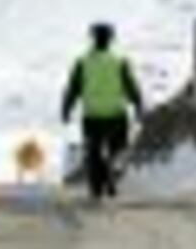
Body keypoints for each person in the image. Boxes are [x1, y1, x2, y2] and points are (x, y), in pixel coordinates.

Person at [61, 22, 144, 200]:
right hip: (117, 116)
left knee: (93, 153)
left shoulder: (82, 63)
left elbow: (73, 89)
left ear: (93, 39)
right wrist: (138, 107)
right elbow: (131, 87)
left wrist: (66, 109)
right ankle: (112, 175)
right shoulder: (119, 62)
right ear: (110, 40)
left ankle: (96, 188)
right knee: (117, 150)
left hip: (92, 116)